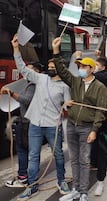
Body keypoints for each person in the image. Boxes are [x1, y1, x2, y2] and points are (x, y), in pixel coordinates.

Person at [10, 35, 71, 201]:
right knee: (33, 155)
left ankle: (61, 181)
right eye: (49, 66)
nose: (50, 68)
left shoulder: (65, 86)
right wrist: (16, 49)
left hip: (53, 126)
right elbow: (23, 68)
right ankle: (32, 186)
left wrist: (68, 104)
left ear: (59, 68)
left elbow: (66, 107)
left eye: (53, 66)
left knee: (58, 155)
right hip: (35, 124)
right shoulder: (40, 78)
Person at [52, 37, 107, 201]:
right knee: (74, 160)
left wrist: (94, 130)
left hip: (86, 128)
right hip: (72, 125)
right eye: (79, 66)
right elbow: (62, 71)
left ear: (91, 69)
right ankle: (75, 189)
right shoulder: (76, 82)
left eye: (83, 66)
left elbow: (101, 112)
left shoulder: (100, 88)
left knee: (84, 160)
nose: (80, 69)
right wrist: (56, 51)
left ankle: (83, 192)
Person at [3, 62, 41, 188]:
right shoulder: (36, 84)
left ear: (35, 72)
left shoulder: (33, 85)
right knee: (30, 150)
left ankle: (23, 177)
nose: (25, 72)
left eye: (28, 70)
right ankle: (29, 176)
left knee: (23, 150)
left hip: (27, 122)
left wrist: (12, 94)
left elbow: (27, 100)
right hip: (30, 121)